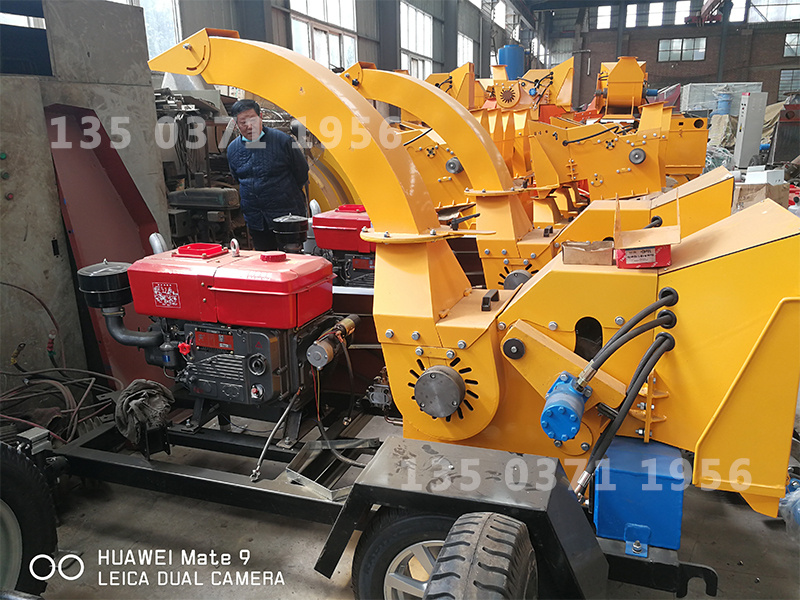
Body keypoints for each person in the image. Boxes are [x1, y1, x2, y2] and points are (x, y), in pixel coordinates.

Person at [226, 99, 309, 250]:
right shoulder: (233, 149)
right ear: (236, 124)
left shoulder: (283, 141)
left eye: (253, 120)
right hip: (256, 219)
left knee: (292, 258)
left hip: (287, 217)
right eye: (243, 122)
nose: (249, 126)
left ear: (261, 117)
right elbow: (237, 177)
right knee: (264, 259)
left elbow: (302, 172)